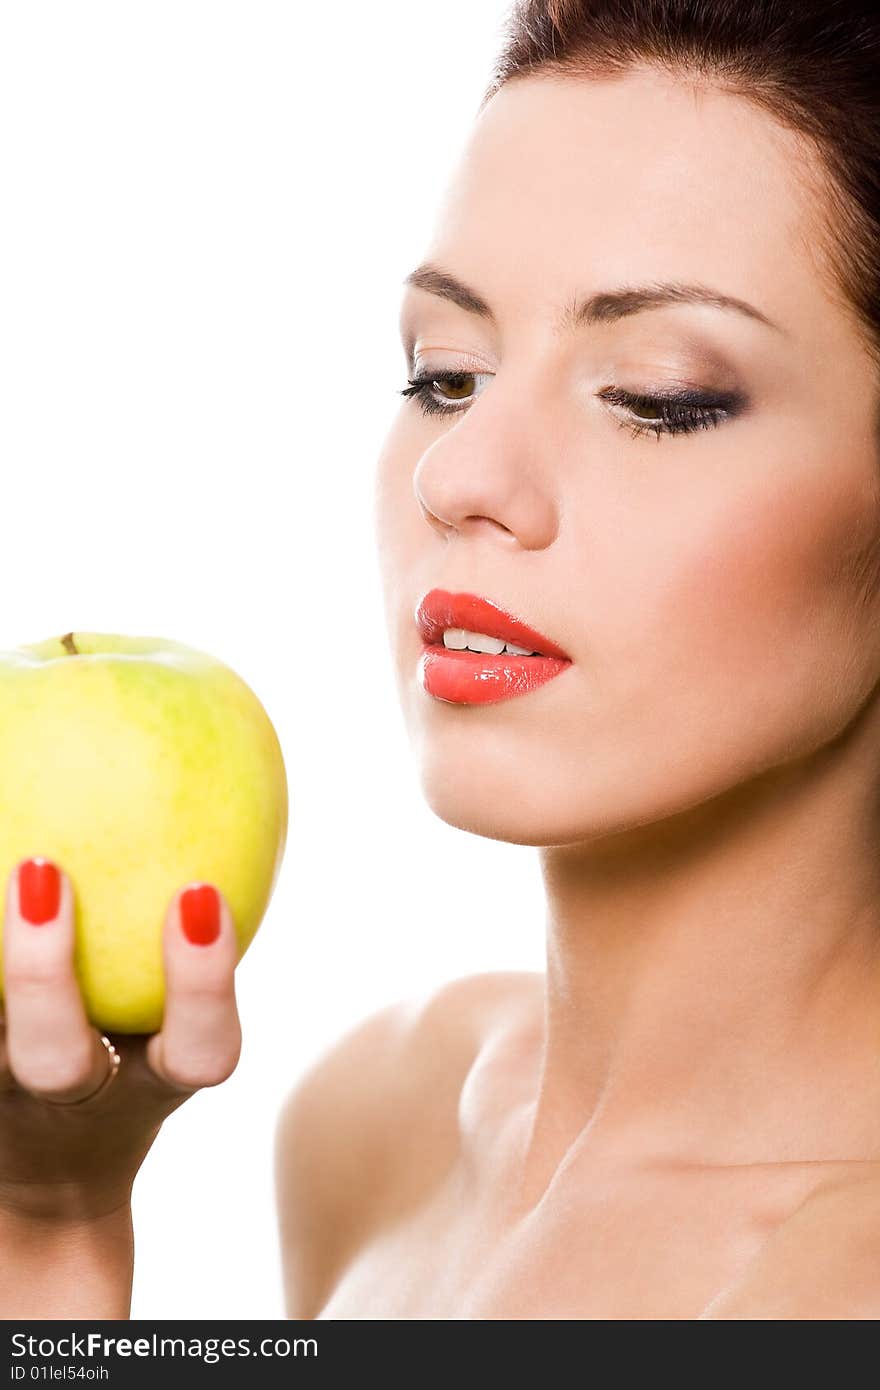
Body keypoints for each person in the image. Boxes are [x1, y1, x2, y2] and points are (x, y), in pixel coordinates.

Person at [4, 0, 880, 1320]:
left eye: (656, 395)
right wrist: (51, 1233)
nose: (462, 476)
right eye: (446, 372)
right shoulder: (377, 1124)